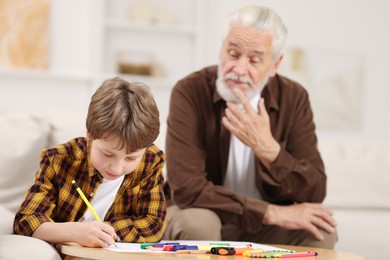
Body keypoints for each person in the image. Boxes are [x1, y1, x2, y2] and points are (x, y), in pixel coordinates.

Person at [163, 5, 337, 248]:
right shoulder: (190, 91)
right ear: (222, 49)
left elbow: (315, 190)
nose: (239, 69)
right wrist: (273, 213)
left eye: (254, 60)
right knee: (200, 223)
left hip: (259, 229)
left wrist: (269, 151)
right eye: (233, 54)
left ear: (275, 64)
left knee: (319, 231)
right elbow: (186, 188)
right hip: (201, 214)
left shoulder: (294, 98)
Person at [13, 77, 166, 248]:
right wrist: (76, 232)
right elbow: (25, 221)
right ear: (89, 135)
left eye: (131, 158)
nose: (117, 167)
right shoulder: (59, 159)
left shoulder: (151, 160)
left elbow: (154, 224)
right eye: (108, 154)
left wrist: (104, 230)